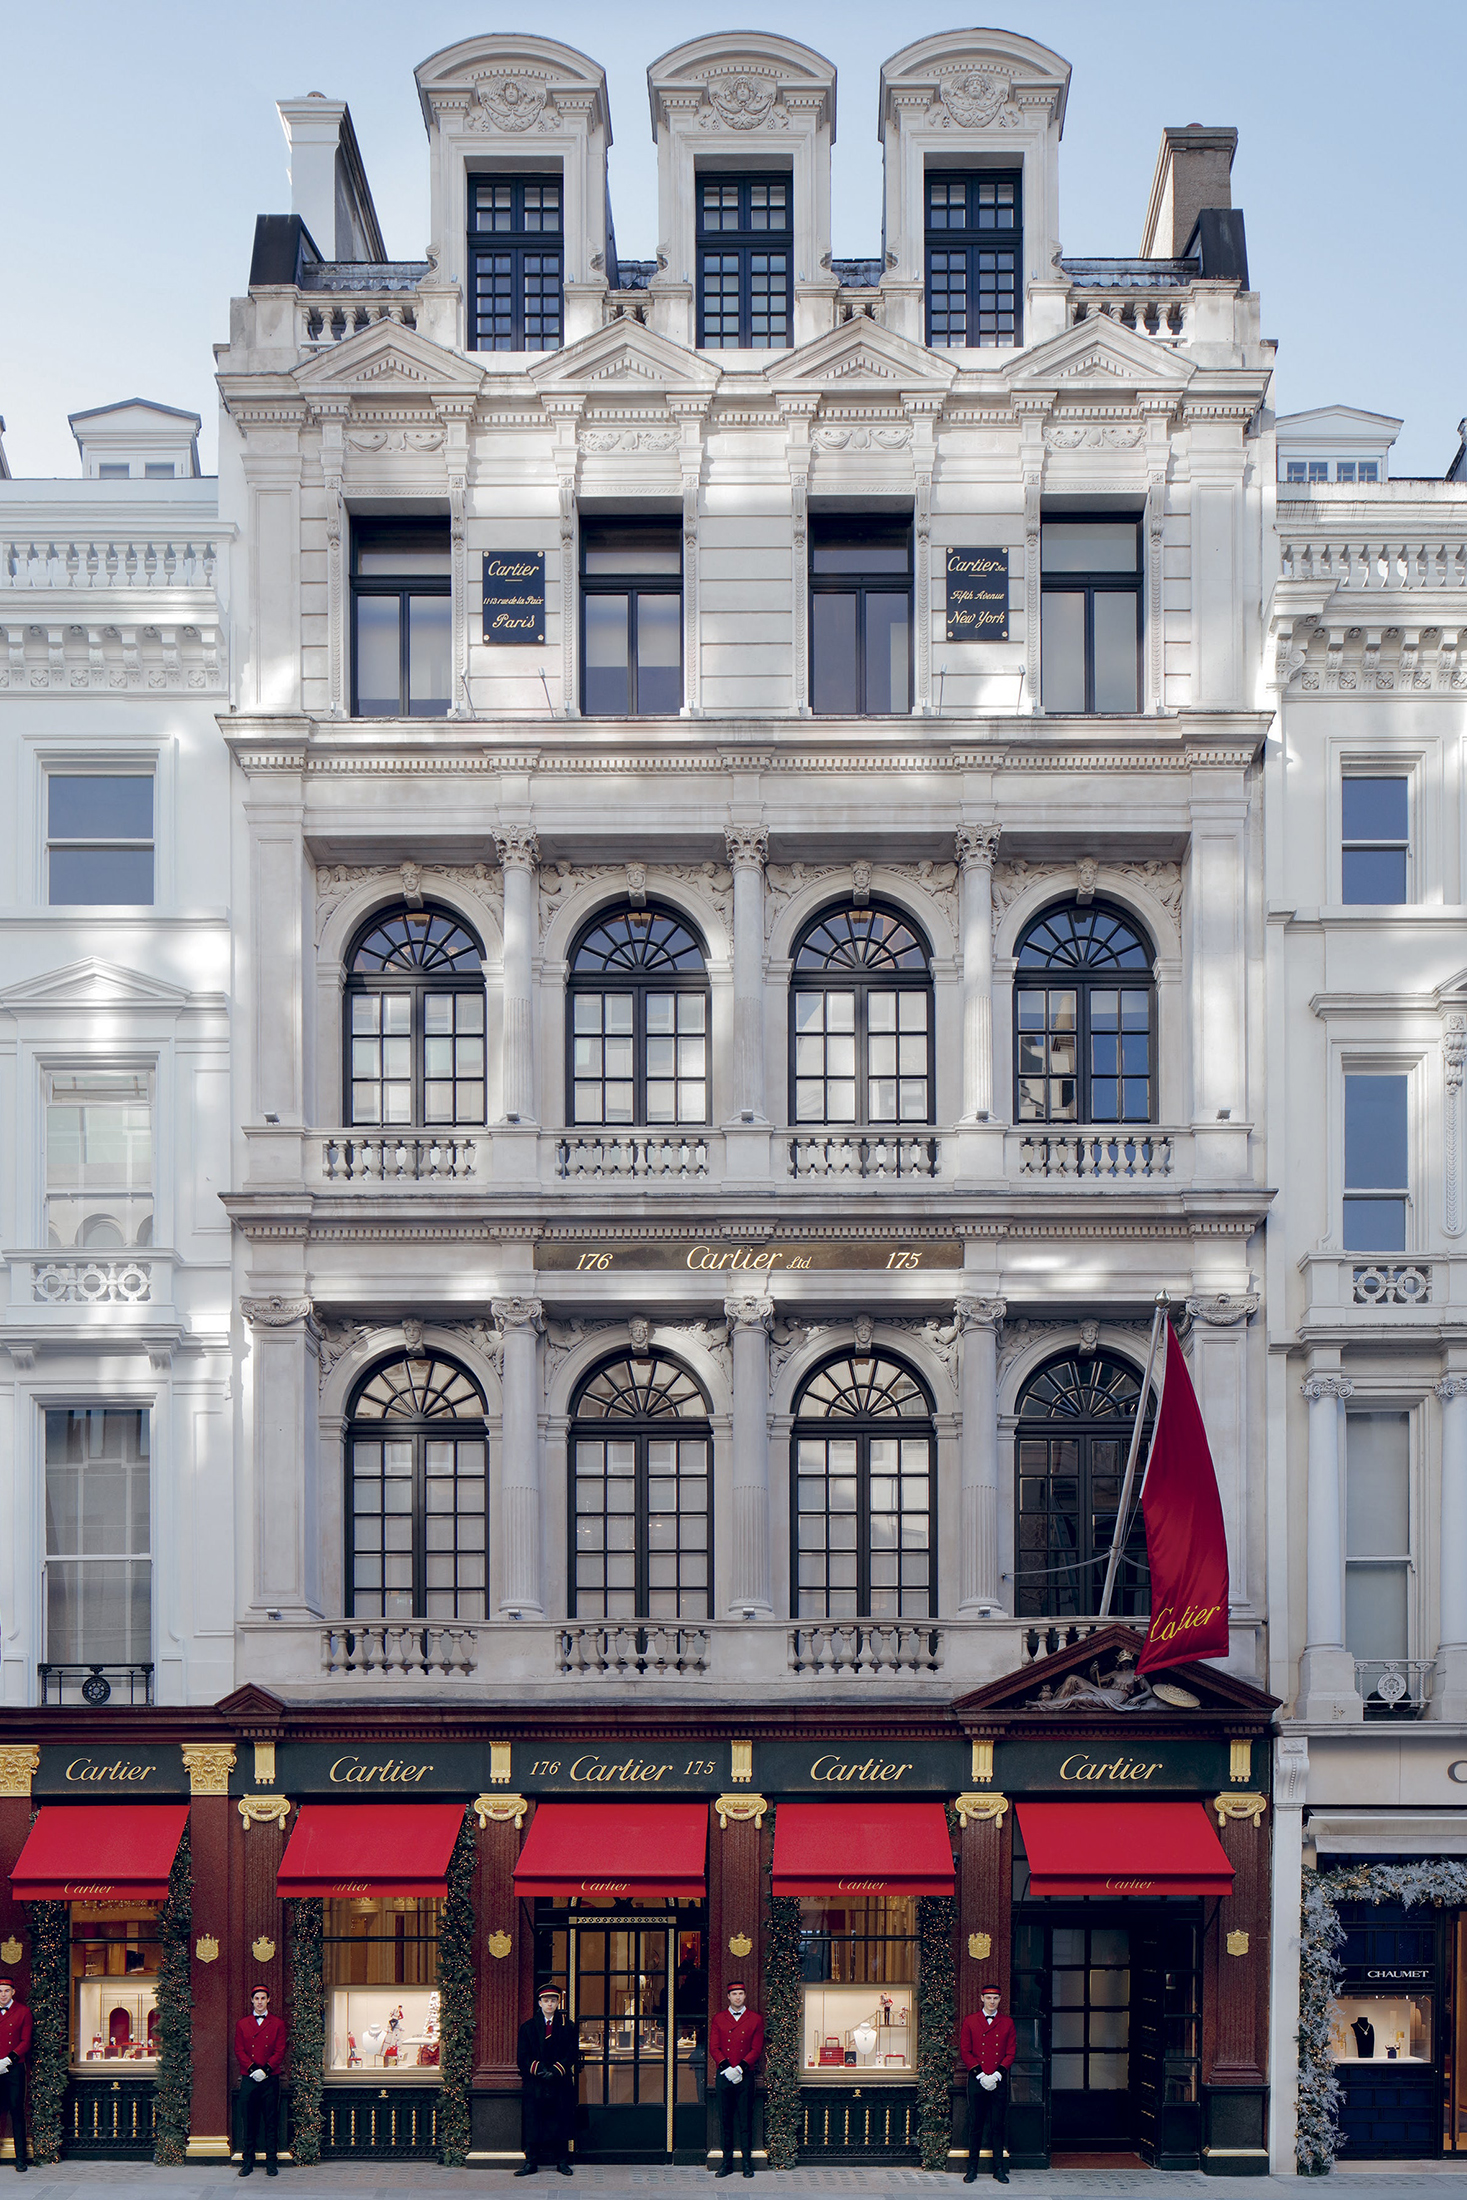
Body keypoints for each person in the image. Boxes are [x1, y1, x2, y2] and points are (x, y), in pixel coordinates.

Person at [516, 1983, 580, 2177]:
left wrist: (555, 2070)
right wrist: (539, 2070)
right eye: (546, 2001)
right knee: (534, 2122)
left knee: (561, 2121)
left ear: (558, 2003)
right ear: (539, 2003)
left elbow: (572, 2053)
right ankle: (531, 2162)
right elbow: (522, 2056)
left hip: (559, 2082)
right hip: (536, 2083)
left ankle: (562, 2162)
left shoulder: (567, 2027)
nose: (549, 2004)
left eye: (553, 2000)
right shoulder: (527, 2027)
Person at [960, 1984, 1016, 2184]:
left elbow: (1010, 2052)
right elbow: (965, 2051)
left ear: (1000, 2000)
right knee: (975, 2125)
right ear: (981, 1998)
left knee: (997, 2125)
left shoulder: (1007, 2023)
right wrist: (981, 2075)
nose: (992, 2002)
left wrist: (997, 2075)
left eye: (996, 1998)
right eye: (989, 1998)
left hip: (998, 2081)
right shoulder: (970, 2021)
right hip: (977, 2080)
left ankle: (999, 2169)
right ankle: (972, 2169)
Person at [709, 1981, 764, 2179]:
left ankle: (747, 2164)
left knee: (745, 2121)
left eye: (741, 1993)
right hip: (725, 2076)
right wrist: (727, 2069)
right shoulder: (719, 2018)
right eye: (734, 1994)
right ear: (728, 1997)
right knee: (725, 2121)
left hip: (745, 2076)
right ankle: (726, 2164)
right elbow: (714, 2047)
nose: (738, 1997)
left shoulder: (755, 2019)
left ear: (745, 1996)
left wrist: (740, 2068)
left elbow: (756, 2049)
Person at [234, 1985, 287, 2178]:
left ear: (268, 2000)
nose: (259, 2002)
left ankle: (271, 2163)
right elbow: (239, 2050)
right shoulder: (242, 2024)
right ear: (251, 2001)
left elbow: (280, 2050)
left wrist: (265, 2070)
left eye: (263, 1998)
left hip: (269, 2078)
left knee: (271, 2122)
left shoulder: (278, 2023)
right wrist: (252, 2069)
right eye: (256, 1998)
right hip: (249, 2079)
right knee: (249, 2121)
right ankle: (248, 2162)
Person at [0, 1980, 30, 2174]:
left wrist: (7, 2060)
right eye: (0, 1991)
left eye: (6, 1991)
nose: (2, 1995)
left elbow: (26, 2041)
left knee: (17, 2112)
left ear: (13, 1992)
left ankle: (20, 2159)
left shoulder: (23, 2011)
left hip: (13, 2068)